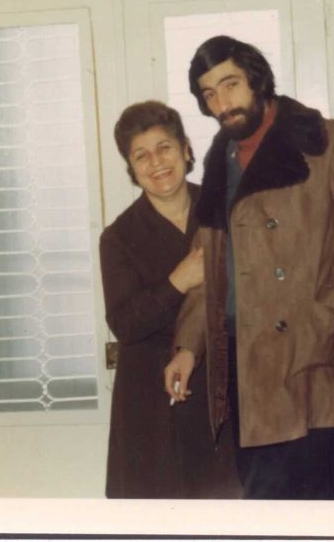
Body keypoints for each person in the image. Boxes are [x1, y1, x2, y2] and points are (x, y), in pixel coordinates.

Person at [164, 36, 334, 500]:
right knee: (264, 504)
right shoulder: (220, 160)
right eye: (209, 94)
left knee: (313, 509)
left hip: (306, 355)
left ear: (257, 79)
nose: (222, 103)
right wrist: (188, 346)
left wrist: (326, 313)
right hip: (240, 362)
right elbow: (209, 263)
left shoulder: (327, 141)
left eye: (230, 84)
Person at [100, 100, 241, 499]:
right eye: (141, 155)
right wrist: (178, 281)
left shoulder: (225, 211)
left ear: (186, 150)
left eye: (164, 147)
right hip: (151, 401)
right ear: (131, 169)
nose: (156, 162)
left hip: (222, 386)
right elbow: (125, 324)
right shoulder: (118, 237)